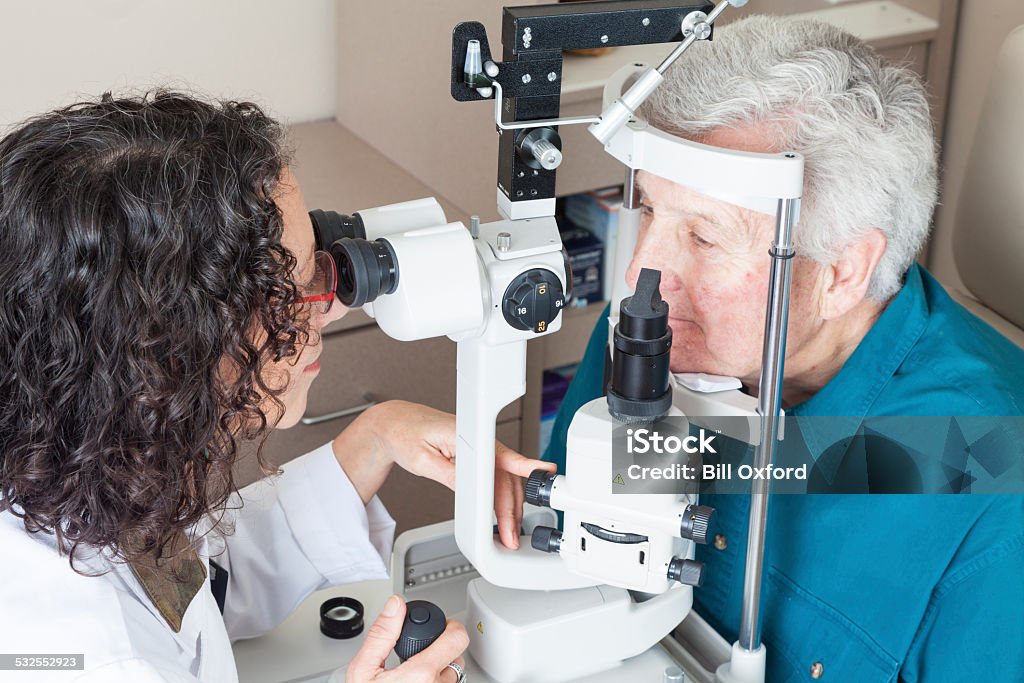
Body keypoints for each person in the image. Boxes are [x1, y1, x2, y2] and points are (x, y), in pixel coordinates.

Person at [0, 91, 553, 682]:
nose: (329, 310)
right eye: (284, 289)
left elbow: (189, 583)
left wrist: (371, 440)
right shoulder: (91, 656)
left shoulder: (62, 460)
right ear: (169, 348)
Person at [545, 16, 1024, 682]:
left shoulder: (990, 483)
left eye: (706, 238)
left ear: (841, 273)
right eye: (651, 210)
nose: (639, 275)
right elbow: (562, 562)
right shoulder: (655, 333)